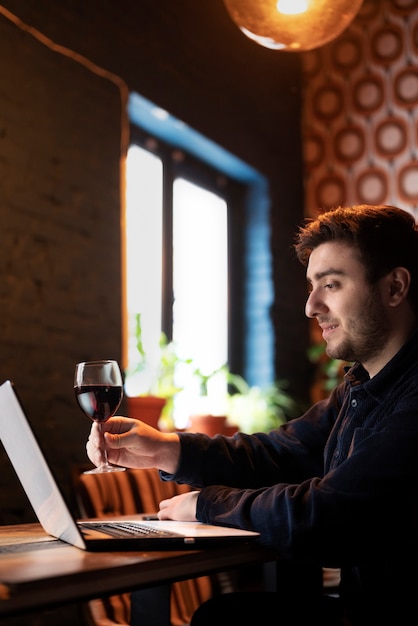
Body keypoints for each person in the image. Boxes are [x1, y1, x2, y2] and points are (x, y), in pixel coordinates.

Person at [87, 204, 418, 625]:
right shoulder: (358, 388)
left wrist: (208, 504)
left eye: (331, 285)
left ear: (394, 288)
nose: (311, 306)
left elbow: (329, 516)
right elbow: (279, 453)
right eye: (312, 287)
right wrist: (165, 449)